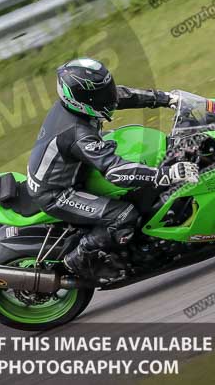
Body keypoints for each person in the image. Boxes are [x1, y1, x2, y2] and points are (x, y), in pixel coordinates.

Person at [26, 58, 199, 280]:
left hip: (76, 168)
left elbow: (121, 95)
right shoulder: (78, 132)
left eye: (105, 89)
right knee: (124, 215)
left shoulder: (82, 106)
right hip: (56, 193)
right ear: (80, 98)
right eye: (100, 94)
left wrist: (168, 99)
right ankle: (80, 259)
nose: (108, 97)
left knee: (142, 150)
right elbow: (115, 172)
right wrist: (166, 175)